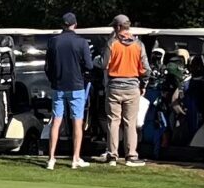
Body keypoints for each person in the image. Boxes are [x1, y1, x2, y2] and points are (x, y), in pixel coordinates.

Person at [96, 15, 149, 167]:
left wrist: (95, 61)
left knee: (113, 121)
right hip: (132, 87)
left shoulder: (112, 43)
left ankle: (112, 155)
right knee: (130, 123)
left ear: (118, 27)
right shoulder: (138, 44)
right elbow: (145, 69)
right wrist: (143, 85)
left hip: (114, 86)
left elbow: (104, 64)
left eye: (114, 26)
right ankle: (131, 156)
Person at [44, 12, 92, 171]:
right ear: (75, 25)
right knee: (77, 122)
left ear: (63, 25)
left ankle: (51, 158)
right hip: (76, 86)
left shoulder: (53, 42)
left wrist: (53, 80)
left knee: (56, 121)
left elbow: (47, 67)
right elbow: (89, 66)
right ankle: (75, 158)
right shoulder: (82, 42)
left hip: (58, 86)